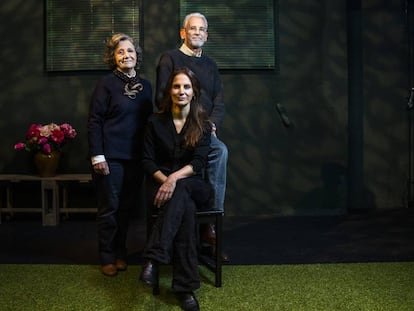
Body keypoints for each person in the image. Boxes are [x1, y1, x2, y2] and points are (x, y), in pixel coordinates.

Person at [155, 12, 228, 261]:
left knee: (219, 152)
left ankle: (210, 224)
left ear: (206, 35)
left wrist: (212, 125)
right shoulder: (170, 58)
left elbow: (219, 100)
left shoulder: (211, 65)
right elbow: (161, 98)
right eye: (192, 29)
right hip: (179, 126)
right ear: (183, 33)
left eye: (201, 30)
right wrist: (186, 121)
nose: (197, 33)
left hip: (205, 128)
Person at [139, 67, 211, 311]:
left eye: (187, 87)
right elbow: (147, 161)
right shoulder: (154, 122)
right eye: (177, 86)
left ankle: (154, 257)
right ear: (169, 91)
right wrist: (166, 181)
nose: (182, 91)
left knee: (184, 191)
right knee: (186, 211)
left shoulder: (202, 124)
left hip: (195, 185)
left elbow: (198, 163)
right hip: (162, 185)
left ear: (194, 92)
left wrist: (173, 180)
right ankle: (186, 288)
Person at [87, 33, 153, 277]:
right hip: (110, 157)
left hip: (136, 157)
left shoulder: (146, 86)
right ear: (113, 57)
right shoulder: (106, 84)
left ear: (137, 56)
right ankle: (107, 255)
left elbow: (150, 122)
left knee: (126, 208)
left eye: (130, 51)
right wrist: (97, 156)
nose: (127, 55)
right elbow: (94, 122)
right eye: (120, 52)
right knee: (110, 208)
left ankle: (121, 253)